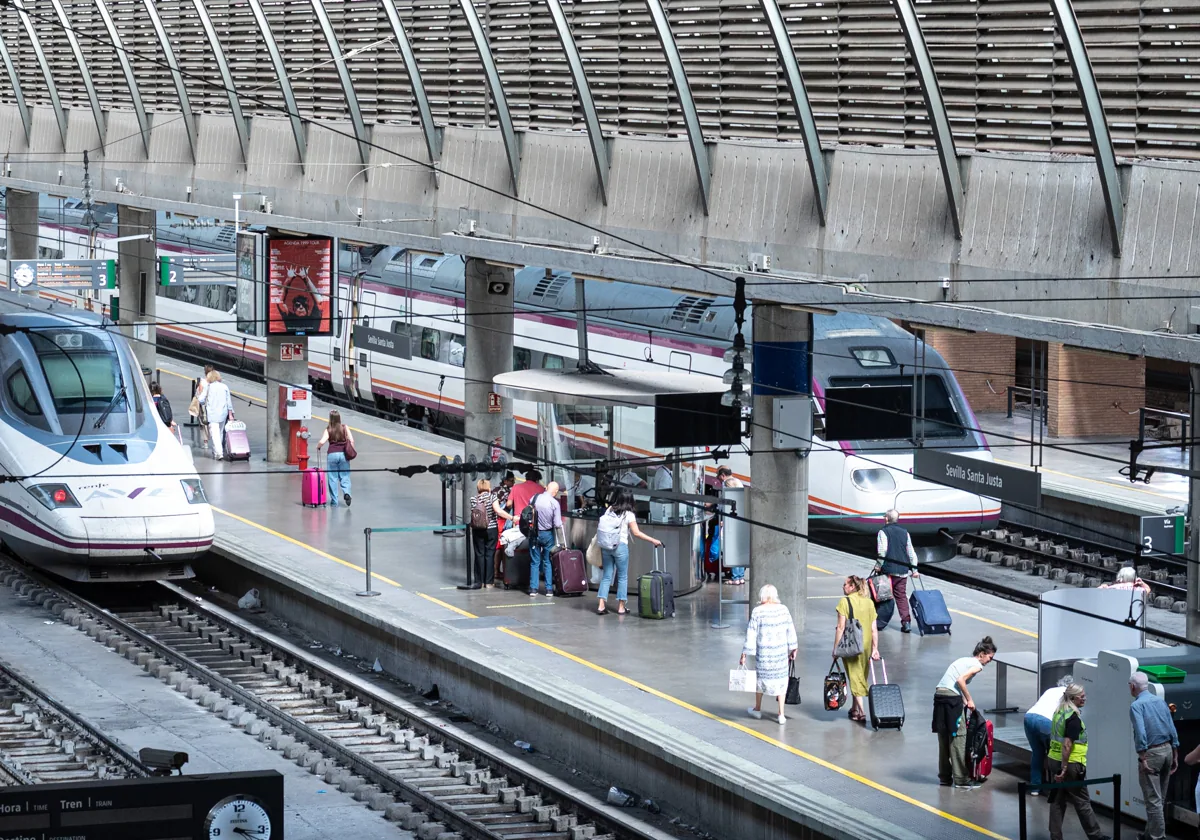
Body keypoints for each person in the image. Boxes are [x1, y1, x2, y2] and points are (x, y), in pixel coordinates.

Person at [932, 637, 997, 790]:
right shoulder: (976, 665)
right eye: (990, 657)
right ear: (982, 654)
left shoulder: (963, 660)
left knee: (944, 736)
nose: (990, 661)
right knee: (958, 737)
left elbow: (951, 683)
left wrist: (963, 700)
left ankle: (944, 777)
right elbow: (960, 681)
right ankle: (961, 779)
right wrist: (969, 699)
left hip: (940, 695)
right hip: (951, 699)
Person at [1048, 684, 1109, 840]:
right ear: (1073, 698)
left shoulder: (1059, 712)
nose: (1084, 698)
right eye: (1082, 696)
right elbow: (1068, 744)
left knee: (1057, 801)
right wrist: (1065, 767)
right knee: (1082, 801)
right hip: (1071, 765)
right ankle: (1095, 836)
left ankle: (1055, 837)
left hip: (1053, 760)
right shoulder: (1073, 718)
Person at [1129, 671, 1179, 840]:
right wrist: (1175, 752)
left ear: (1133, 686)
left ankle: (1157, 837)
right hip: (1167, 751)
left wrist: (1142, 757)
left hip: (1152, 754)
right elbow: (1171, 727)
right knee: (1160, 798)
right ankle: (1149, 834)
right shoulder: (1160, 701)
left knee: (1153, 800)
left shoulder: (1136, 706)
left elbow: (1141, 733)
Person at [596, 489, 661, 616]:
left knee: (607, 576)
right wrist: (653, 540)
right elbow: (636, 533)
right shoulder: (629, 514)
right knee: (622, 577)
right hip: (620, 547)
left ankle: (601, 605)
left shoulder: (609, 509)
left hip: (606, 547)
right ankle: (621, 607)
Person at [740, 584, 798, 725]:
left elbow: (751, 634)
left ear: (762, 596)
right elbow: (790, 629)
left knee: (760, 681)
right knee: (781, 682)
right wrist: (794, 648)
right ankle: (781, 714)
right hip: (780, 654)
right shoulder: (783, 610)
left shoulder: (758, 612)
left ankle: (758, 709)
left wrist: (744, 654)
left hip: (764, 654)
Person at [832, 575, 879, 723]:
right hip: (865, 644)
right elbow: (873, 629)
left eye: (845, 584)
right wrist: (875, 648)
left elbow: (840, 627)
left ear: (852, 586)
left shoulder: (844, 602)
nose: (843, 586)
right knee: (860, 675)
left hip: (851, 643)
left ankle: (862, 712)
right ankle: (854, 709)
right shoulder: (869, 603)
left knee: (854, 675)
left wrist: (836, 649)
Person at [1024, 676, 1075, 795]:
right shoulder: (1067, 695)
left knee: (1037, 753)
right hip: (1046, 721)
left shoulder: (1050, 690)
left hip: (1029, 717)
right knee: (1055, 755)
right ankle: (1056, 789)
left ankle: (1035, 788)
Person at [875, 509, 918, 633]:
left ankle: (880, 622)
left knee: (883, 596)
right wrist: (914, 570)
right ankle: (906, 623)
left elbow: (882, 551)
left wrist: (878, 565)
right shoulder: (905, 533)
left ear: (886, 519)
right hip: (902, 571)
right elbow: (911, 553)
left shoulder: (883, 532)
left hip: (887, 571)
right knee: (901, 597)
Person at [529, 480, 562, 597]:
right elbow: (557, 524)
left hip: (533, 533)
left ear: (546, 487)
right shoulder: (555, 503)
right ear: (556, 492)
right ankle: (549, 589)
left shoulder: (534, 498)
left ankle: (533, 589)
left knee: (534, 561)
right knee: (547, 561)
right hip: (547, 534)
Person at [316, 410, 355, 507]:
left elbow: (322, 441)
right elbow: (352, 440)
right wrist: (351, 450)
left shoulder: (328, 429)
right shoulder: (345, 428)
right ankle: (347, 493)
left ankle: (334, 501)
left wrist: (318, 446)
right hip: (343, 454)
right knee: (345, 476)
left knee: (332, 478)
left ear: (330, 419)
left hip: (332, 454)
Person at [716, 467, 746, 585]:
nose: (718, 479)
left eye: (718, 476)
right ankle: (740, 577)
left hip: (729, 520)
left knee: (731, 548)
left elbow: (724, 504)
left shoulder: (726, 484)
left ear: (722, 475)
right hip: (739, 519)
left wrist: (723, 520)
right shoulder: (738, 482)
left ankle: (735, 578)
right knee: (739, 549)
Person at [469, 478, 498, 589]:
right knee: (490, 554)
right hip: (491, 529)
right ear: (488, 487)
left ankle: (479, 581)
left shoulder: (473, 499)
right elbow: (497, 510)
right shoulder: (492, 497)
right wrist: (511, 517)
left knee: (479, 554)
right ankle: (489, 582)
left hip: (477, 529)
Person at [198, 370, 232, 460]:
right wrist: (231, 414)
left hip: (212, 414)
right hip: (223, 413)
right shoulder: (225, 387)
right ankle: (216, 451)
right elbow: (229, 402)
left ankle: (219, 453)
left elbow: (201, 400)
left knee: (215, 434)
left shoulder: (208, 387)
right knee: (220, 433)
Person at [491, 471, 517, 584]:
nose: (513, 482)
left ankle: (496, 570)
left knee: (497, 546)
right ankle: (496, 570)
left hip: (494, 520)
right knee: (500, 546)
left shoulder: (495, 490)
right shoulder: (506, 492)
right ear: (505, 481)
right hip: (502, 520)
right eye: (511, 480)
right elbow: (508, 505)